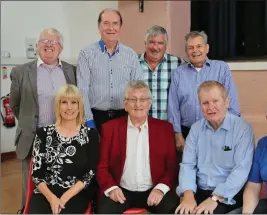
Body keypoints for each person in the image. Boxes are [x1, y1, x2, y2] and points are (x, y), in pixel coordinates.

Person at [9, 28, 77, 213]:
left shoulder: (72, 71)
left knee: (60, 180)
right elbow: (15, 105)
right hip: (33, 137)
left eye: (53, 42)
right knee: (30, 184)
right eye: (44, 41)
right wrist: (29, 123)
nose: (48, 45)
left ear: (60, 47)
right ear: (37, 45)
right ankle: (27, 210)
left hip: (63, 136)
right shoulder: (21, 71)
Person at [96, 80, 179, 214]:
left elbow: (171, 166)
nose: (138, 104)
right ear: (125, 104)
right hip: (121, 190)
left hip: (154, 189)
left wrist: (160, 189)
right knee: (105, 211)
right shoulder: (110, 128)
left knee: (172, 209)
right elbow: (102, 167)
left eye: (143, 99)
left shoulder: (165, 129)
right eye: (133, 99)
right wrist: (112, 188)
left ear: (149, 103)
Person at [175, 81, 254, 214]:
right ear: (200, 106)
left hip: (229, 195)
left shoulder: (243, 129)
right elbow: (188, 165)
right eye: (205, 103)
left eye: (215, 101)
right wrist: (188, 195)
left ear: (227, 102)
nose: (211, 107)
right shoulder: (196, 129)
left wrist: (215, 198)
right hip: (199, 191)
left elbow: (241, 171)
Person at [27, 84, 99, 214]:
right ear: (58, 106)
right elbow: (37, 173)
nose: (69, 107)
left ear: (80, 106)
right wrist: (52, 199)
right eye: (64, 102)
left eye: (74, 102)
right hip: (45, 192)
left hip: (76, 193)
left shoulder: (91, 135)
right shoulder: (43, 133)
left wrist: (64, 198)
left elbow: (90, 173)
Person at [168, 31, 241, 156]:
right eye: (190, 48)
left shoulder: (221, 68)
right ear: (186, 51)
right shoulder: (178, 73)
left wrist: (226, 132)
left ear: (207, 48)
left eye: (199, 46)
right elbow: (173, 106)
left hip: (216, 131)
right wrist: (178, 135)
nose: (195, 50)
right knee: (189, 169)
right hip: (187, 134)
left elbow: (232, 103)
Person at [77, 8, 144, 133]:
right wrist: (88, 120)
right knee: (98, 153)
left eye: (115, 23)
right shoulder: (86, 54)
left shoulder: (130, 55)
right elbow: (82, 90)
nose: (111, 28)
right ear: (99, 26)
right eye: (106, 23)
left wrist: (136, 117)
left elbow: (138, 89)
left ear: (120, 27)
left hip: (124, 116)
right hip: (95, 117)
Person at [138, 25, 186, 120]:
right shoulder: (133, 63)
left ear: (166, 46)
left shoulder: (179, 64)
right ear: (145, 43)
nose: (155, 47)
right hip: (140, 126)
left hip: (167, 126)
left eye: (160, 43)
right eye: (151, 42)